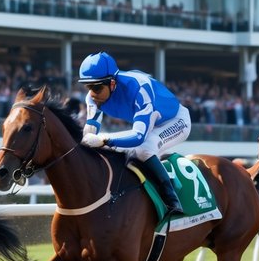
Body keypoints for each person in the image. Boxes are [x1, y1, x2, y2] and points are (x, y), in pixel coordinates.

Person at [77, 51, 187, 222]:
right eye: (88, 87)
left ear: (112, 83)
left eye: (96, 87)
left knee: (143, 149)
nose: (92, 93)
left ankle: (172, 199)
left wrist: (105, 139)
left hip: (176, 121)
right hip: (149, 124)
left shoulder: (139, 88)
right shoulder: (93, 97)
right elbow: (89, 133)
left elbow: (138, 137)